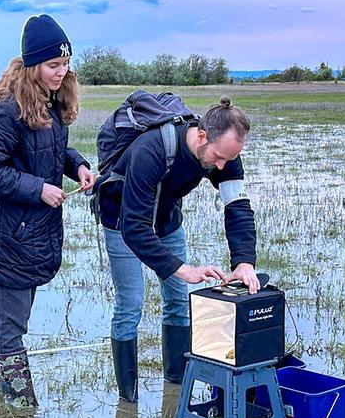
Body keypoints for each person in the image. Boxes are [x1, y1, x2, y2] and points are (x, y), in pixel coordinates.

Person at [0, 14, 95, 408]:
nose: (62, 72)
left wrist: (77, 166)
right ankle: (21, 413)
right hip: (9, 234)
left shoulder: (53, 103)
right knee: (12, 325)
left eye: (66, 64)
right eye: (53, 65)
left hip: (34, 232)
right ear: (32, 65)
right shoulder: (7, 111)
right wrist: (37, 189)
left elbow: (52, 150)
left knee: (9, 316)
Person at [97, 97, 257, 402]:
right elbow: (135, 228)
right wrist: (182, 269)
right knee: (130, 304)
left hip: (167, 220)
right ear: (201, 136)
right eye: (218, 157)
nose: (221, 167)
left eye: (228, 160)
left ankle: (176, 386)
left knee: (178, 302)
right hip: (121, 219)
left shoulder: (226, 155)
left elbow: (237, 207)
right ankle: (128, 399)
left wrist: (244, 262)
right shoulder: (151, 150)